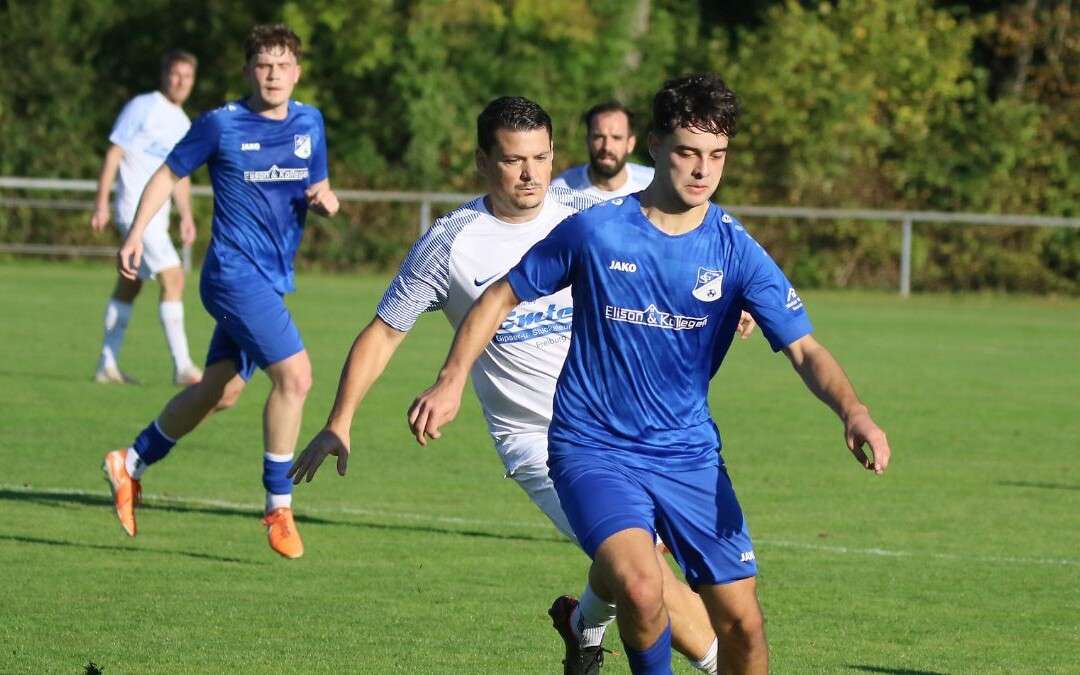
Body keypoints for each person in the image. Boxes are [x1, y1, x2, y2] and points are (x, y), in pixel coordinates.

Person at [406, 74, 892, 675]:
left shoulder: (735, 250)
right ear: (656, 146)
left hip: (687, 454)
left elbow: (806, 350)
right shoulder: (598, 229)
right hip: (591, 448)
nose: (703, 171)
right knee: (640, 587)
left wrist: (855, 411)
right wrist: (452, 377)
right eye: (688, 152)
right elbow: (500, 296)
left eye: (717, 156)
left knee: (743, 624)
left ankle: (583, 625)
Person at [289, 96, 731, 674]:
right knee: (643, 569)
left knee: (629, 556)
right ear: (482, 161)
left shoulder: (582, 216)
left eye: (541, 158)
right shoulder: (451, 243)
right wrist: (338, 421)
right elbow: (382, 334)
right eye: (513, 160)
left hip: (627, 423)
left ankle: (582, 626)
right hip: (541, 443)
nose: (530, 174)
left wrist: (730, 304)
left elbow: (661, 275)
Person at [101, 24, 339, 560]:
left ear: (296, 71)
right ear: (247, 71)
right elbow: (164, 175)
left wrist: (327, 201)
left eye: (283, 64)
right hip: (231, 274)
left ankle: (131, 462)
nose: (273, 74)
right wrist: (137, 233)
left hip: (270, 283)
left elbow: (318, 187)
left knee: (220, 390)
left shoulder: (310, 122)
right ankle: (279, 505)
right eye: (263, 64)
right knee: (296, 377)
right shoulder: (220, 125)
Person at [90, 49, 203, 386]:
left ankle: (106, 365)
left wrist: (186, 215)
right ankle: (183, 366)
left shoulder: (183, 122)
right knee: (174, 278)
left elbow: (178, 176)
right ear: (165, 75)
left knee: (130, 283)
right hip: (133, 210)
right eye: (175, 74)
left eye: (187, 76)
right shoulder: (143, 106)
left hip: (159, 217)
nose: (181, 81)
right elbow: (114, 154)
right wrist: (101, 204)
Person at [550, 100, 654, 200]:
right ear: (587, 140)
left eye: (616, 137)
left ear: (630, 143)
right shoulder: (560, 192)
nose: (607, 147)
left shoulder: (654, 184)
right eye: (599, 137)